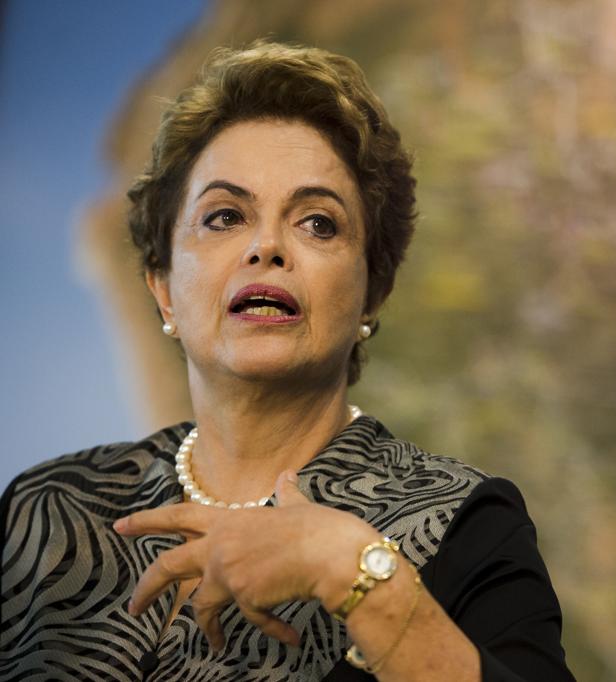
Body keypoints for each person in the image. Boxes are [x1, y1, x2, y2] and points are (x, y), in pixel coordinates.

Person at [0, 42, 574, 681]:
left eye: (318, 224)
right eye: (225, 216)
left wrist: (357, 576)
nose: (267, 246)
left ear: (373, 291)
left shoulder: (466, 523)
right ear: (162, 288)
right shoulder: (42, 509)